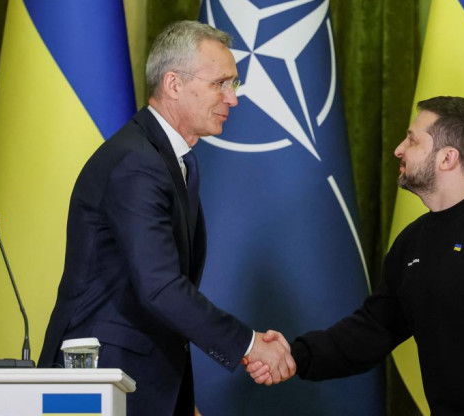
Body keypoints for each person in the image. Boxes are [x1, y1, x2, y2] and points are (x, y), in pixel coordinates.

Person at [247, 96, 464, 415]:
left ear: (447, 158)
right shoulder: (413, 241)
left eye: (412, 141)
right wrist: (294, 355)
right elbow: (373, 329)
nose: (398, 150)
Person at [39, 21, 295, 416]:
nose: (233, 99)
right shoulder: (137, 164)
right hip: (100, 378)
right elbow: (160, 288)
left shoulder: (168, 160)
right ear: (174, 84)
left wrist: (176, 398)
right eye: (221, 84)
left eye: (234, 85)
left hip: (141, 379)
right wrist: (249, 344)